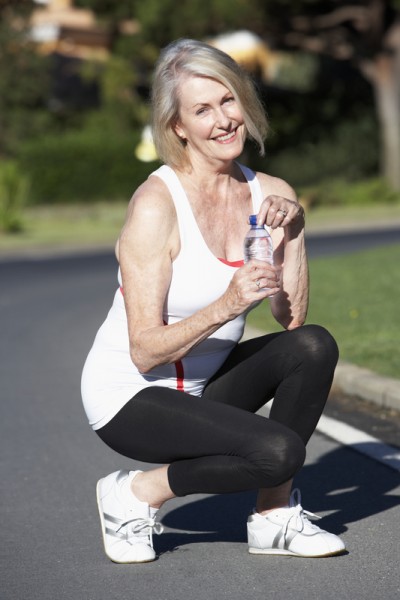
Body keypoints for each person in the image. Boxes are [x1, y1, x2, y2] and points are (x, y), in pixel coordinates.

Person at [81, 38, 345, 564]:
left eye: (229, 101)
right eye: (202, 109)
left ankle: (274, 518)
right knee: (279, 450)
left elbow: (291, 320)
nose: (224, 120)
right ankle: (136, 492)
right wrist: (227, 304)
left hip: (202, 389)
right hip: (131, 397)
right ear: (177, 125)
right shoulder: (157, 204)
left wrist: (294, 231)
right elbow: (144, 351)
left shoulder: (266, 188)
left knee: (314, 346)